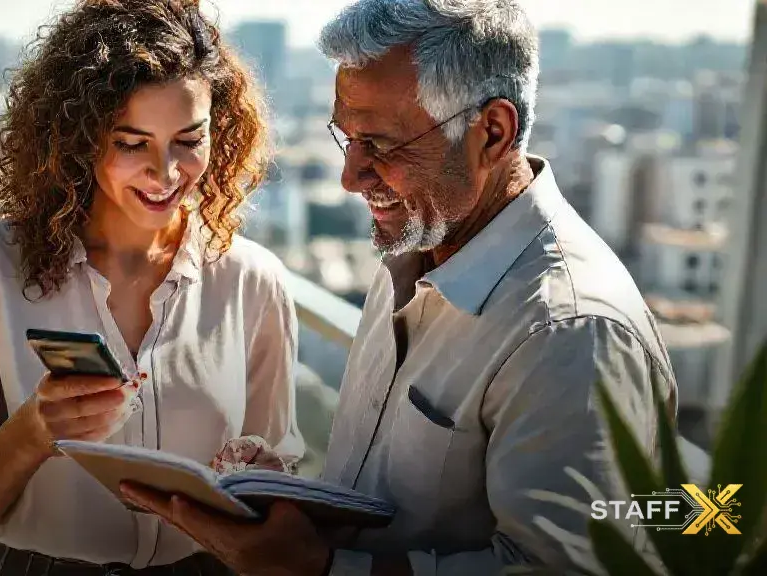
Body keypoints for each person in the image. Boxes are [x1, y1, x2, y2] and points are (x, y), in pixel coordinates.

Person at [122, 0, 679, 574]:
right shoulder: (417, 250)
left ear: (492, 132)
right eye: (347, 140)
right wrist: (297, 508)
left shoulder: (570, 333)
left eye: (381, 145)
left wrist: (318, 570)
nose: (349, 176)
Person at [0, 1, 305, 574]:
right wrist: (31, 434)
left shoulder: (252, 280)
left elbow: (279, 488)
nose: (165, 174)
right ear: (78, 138)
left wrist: (260, 483)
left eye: (189, 140)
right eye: (132, 143)